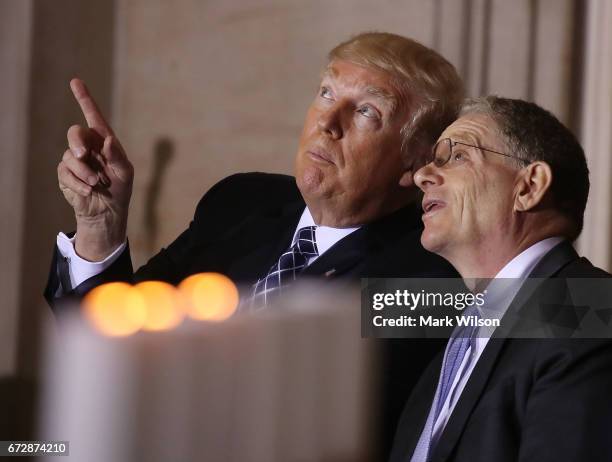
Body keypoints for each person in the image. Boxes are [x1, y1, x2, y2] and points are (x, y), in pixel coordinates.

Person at [44, 32, 464, 457]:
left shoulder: (430, 277)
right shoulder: (240, 203)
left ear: (416, 161)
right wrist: (100, 226)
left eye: (367, 111)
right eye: (326, 92)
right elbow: (109, 353)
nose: (327, 122)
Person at [389, 96, 612, 462]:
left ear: (529, 186)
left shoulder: (589, 307)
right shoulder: (450, 339)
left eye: (457, 156)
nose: (422, 175)